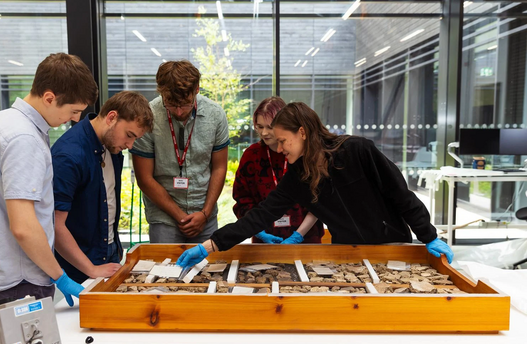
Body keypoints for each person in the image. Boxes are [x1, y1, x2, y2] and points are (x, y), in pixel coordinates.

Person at [177, 102, 455, 268]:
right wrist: (210, 246)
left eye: (283, 141)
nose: (280, 148)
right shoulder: (297, 177)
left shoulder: (358, 150)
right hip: (349, 252)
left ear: (302, 132)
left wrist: (428, 235)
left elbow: (400, 195)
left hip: (391, 243)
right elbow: (260, 214)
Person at [0, 53, 98, 313]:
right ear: (49, 98)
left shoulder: (0, 121)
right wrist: (59, 276)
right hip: (17, 281)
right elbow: (24, 227)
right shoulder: (24, 138)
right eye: (73, 111)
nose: (74, 120)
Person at [52, 91, 154, 284]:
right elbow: (55, 225)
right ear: (111, 117)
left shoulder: (111, 145)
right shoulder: (69, 155)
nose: (130, 145)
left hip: (107, 254)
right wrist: (91, 269)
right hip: (79, 264)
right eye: (129, 135)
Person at [130, 60, 229, 243]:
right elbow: (144, 178)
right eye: (171, 104)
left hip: (204, 214)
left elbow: (219, 168)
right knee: (166, 270)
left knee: (209, 270)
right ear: (161, 92)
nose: (179, 111)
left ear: (197, 90)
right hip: (164, 217)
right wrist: (180, 216)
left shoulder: (215, 115)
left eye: (185, 104)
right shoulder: (148, 116)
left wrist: (205, 213)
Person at [233, 97, 323, 244]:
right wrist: (258, 231)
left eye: (269, 127)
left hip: (307, 237)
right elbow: (242, 198)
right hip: (265, 239)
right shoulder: (251, 155)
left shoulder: (303, 154)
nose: (264, 133)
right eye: (259, 127)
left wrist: (298, 235)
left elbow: (319, 199)